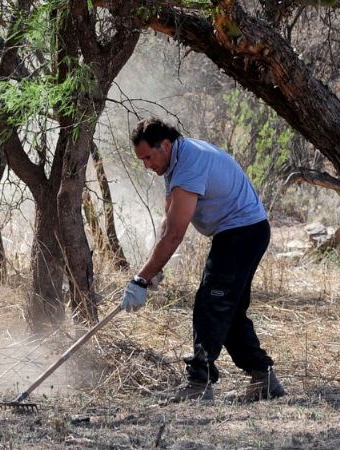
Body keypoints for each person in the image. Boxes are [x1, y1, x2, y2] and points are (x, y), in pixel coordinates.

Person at [121, 117, 285, 403]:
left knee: (211, 304)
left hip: (242, 233)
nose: (146, 165)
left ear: (166, 145)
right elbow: (168, 219)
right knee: (229, 311)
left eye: (148, 157)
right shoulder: (175, 161)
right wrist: (154, 268)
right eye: (142, 159)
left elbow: (174, 234)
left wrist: (141, 278)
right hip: (242, 232)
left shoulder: (188, 164)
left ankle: (199, 383)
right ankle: (264, 379)